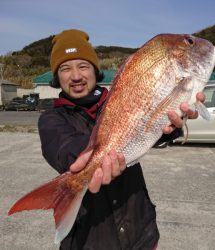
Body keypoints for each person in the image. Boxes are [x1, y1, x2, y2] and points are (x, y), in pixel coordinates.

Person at [38, 29, 205, 250]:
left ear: (95, 71)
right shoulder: (51, 118)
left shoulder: (120, 99)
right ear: (56, 77)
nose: (76, 76)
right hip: (89, 241)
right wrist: (91, 157)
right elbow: (63, 148)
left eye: (83, 66)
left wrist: (172, 127)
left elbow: (147, 131)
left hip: (141, 234)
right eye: (65, 68)